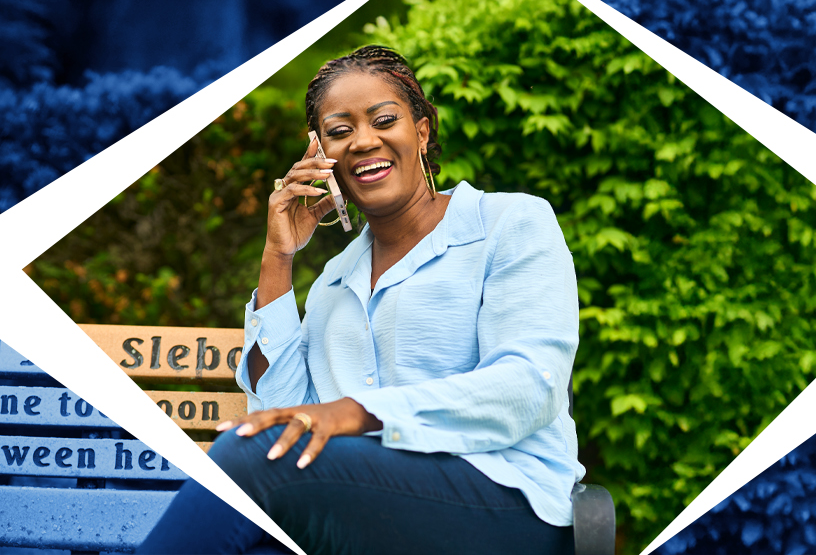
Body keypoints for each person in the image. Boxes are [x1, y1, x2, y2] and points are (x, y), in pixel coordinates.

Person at [137, 45, 584, 555]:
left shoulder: (508, 223)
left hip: (506, 503)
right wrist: (278, 255)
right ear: (320, 154)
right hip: (372, 511)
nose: (363, 141)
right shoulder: (334, 281)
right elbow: (287, 421)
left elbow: (530, 387)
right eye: (340, 130)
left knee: (249, 454)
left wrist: (356, 412)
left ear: (421, 130)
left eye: (383, 120)